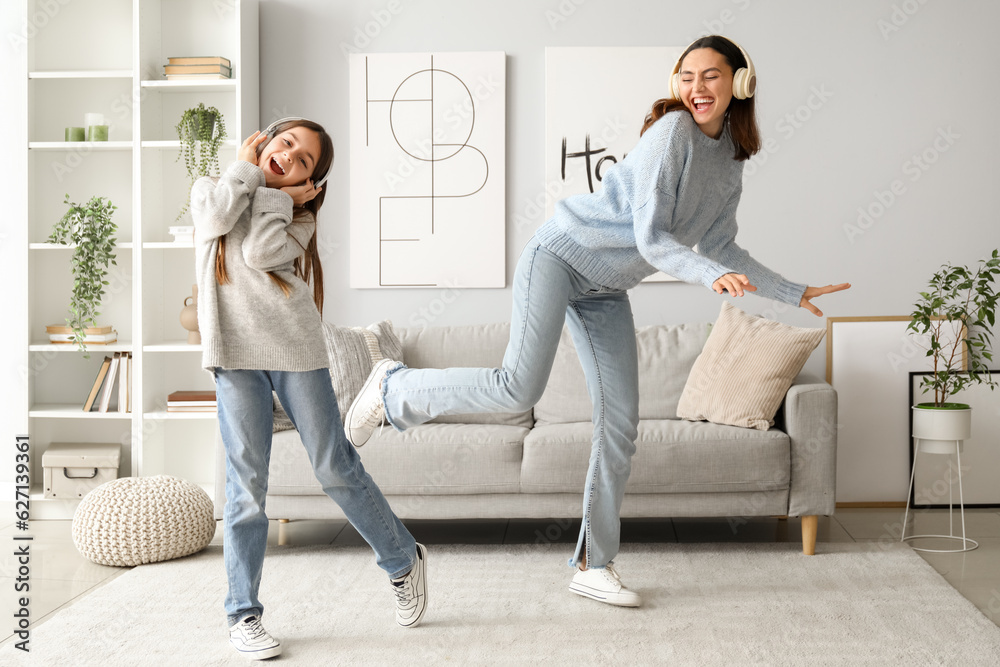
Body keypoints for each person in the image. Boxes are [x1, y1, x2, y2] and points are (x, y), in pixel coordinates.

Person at [345, 36, 850, 608]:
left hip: (604, 287)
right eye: (687, 76)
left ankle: (594, 563)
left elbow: (722, 244)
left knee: (620, 424)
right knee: (518, 386)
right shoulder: (672, 135)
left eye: (711, 76)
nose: (696, 88)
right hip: (559, 255)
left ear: (740, 83)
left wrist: (793, 290)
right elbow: (651, 238)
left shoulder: (730, 158)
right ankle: (393, 388)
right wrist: (708, 277)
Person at [192, 117, 428, 660]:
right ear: (264, 141)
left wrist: (282, 200)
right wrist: (247, 171)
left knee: (334, 466)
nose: (290, 156)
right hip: (233, 355)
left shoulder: (297, 220)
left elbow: (258, 255)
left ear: (310, 183)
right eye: (287, 143)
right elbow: (214, 218)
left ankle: (403, 560)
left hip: (296, 348)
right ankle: (243, 614)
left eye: (304, 160)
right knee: (246, 488)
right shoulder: (214, 189)